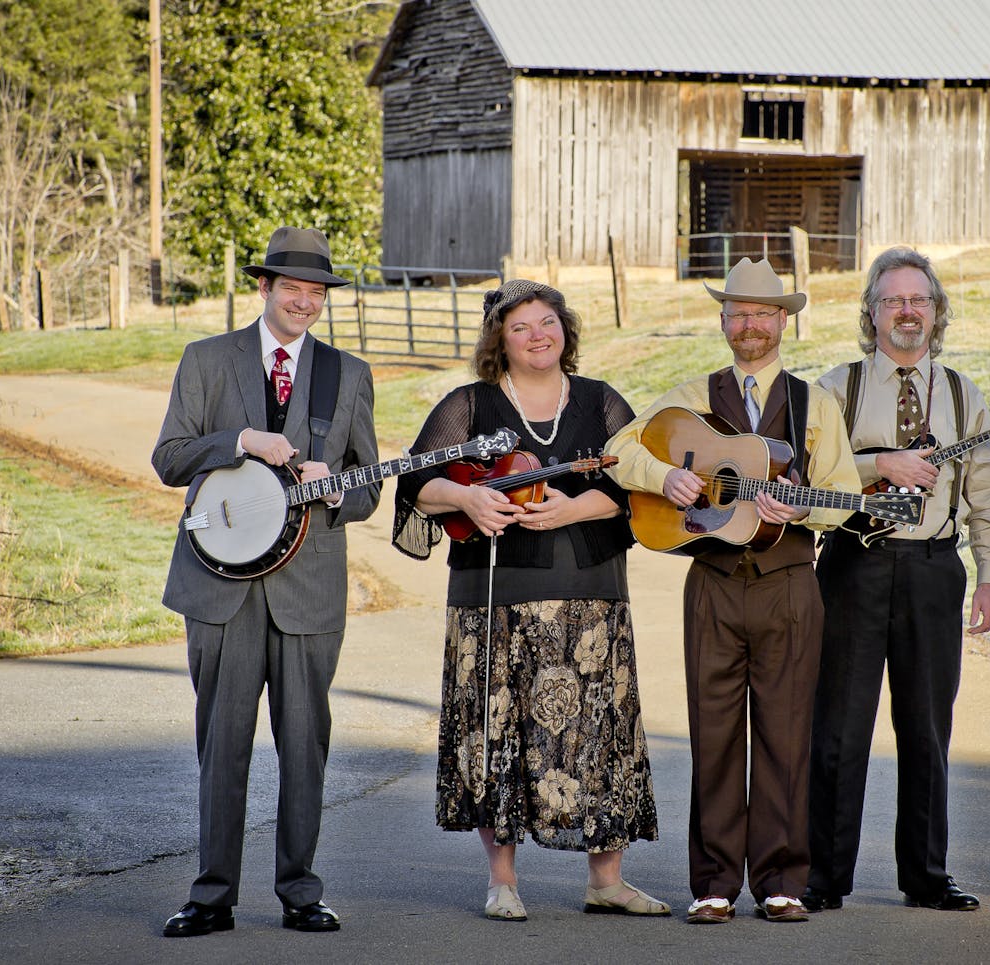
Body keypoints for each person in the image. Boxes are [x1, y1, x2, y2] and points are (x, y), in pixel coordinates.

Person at [391, 279, 667, 922]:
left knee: (600, 735)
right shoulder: (470, 405)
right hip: (494, 599)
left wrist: (576, 506)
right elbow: (416, 485)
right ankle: (503, 882)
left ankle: (607, 881)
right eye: (521, 327)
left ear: (565, 330)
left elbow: (638, 486)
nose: (538, 335)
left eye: (548, 322)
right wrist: (465, 498)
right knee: (497, 733)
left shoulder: (601, 402)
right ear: (499, 341)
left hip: (589, 597)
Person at [606, 257, 861, 925]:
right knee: (713, 733)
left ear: (785, 320)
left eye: (762, 313)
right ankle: (714, 881)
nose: (749, 324)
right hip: (713, 584)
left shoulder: (815, 402)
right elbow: (620, 449)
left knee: (785, 733)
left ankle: (781, 878)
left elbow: (847, 494)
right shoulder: (693, 393)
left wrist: (801, 511)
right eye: (737, 313)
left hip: (787, 585)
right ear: (723, 321)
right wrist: (665, 478)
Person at [152, 226, 380, 937]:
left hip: (308, 590)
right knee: (221, 742)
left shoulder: (349, 374)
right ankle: (212, 894)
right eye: (293, 290)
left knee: (305, 743)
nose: (305, 303)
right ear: (264, 288)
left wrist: (336, 489)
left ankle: (300, 891)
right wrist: (243, 441)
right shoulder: (207, 359)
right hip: (217, 584)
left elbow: (369, 487)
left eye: (316, 293)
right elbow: (169, 457)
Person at [804, 246, 990, 914]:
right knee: (838, 725)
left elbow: (989, 493)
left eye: (918, 300)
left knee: (927, 724)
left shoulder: (961, 394)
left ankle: (926, 874)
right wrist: (877, 465)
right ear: (871, 311)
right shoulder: (836, 389)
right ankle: (824, 875)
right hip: (852, 566)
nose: (906, 312)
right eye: (893, 300)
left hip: (931, 570)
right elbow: (809, 483)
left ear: (936, 310)